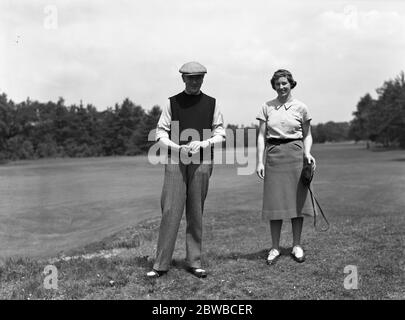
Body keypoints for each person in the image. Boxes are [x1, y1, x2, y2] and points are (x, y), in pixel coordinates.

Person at [146, 61, 226, 278]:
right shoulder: (172, 102)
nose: (194, 81)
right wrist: (175, 146)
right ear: (183, 78)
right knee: (170, 210)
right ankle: (161, 264)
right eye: (190, 77)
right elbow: (161, 132)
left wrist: (203, 143)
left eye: (198, 77)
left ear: (203, 79)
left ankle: (194, 261)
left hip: (202, 160)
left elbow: (221, 133)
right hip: (175, 160)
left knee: (196, 212)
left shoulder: (212, 103)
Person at [256, 69, 316, 265]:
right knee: (275, 204)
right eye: (277, 84)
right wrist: (259, 161)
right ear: (273, 86)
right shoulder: (266, 107)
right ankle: (274, 247)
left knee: (297, 203)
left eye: (284, 83)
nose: (281, 87)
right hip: (274, 155)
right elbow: (260, 136)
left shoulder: (301, 107)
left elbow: (307, 134)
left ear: (291, 84)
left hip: (296, 155)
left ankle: (296, 245)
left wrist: (307, 153)